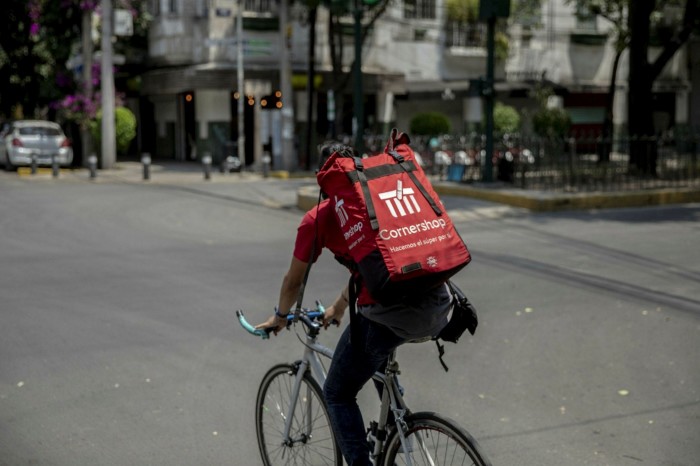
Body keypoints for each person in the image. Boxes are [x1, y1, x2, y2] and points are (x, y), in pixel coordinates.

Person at [255, 142, 452, 466]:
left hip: (391, 317)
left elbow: (294, 280)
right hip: (438, 304)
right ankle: (396, 427)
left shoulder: (317, 219)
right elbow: (369, 270)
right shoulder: (381, 201)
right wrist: (339, 307)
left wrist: (280, 315)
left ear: (325, 179)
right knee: (373, 356)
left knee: (337, 393)